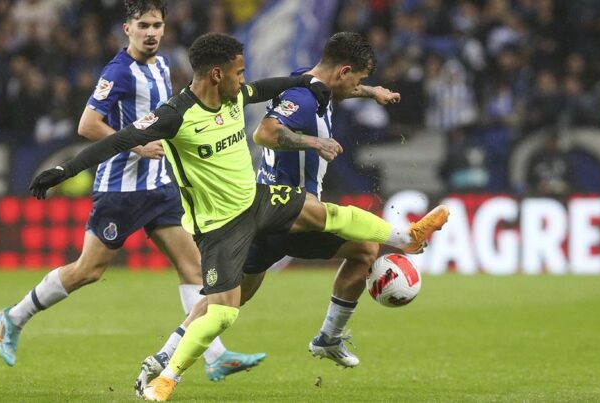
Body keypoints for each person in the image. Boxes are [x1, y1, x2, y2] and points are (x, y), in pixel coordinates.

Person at [27, 33, 449, 401]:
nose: (244, 80)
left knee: (327, 214)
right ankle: (164, 378)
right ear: (216, 74)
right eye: (239, 72)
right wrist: (64, 172)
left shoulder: (236, 95)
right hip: (221, 228)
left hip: (259, 200)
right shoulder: (175, 116)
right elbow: (117, 140)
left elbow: (279, 84)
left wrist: (358, 89)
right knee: (224, 312)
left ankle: (407, 237)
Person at [0, 1, 264, 381]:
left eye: (157, 25)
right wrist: (137, 146)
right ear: (127, 29)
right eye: (144, 25)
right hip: (121, 189)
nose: (151, 32)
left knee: (193, 268)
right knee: (88, 270)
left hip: (158, 186)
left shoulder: (164, 63)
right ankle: (14, 316)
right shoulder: (119, 71)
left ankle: (213, 355)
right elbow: (88, 124)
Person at [137, 32, 404, 376]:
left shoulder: (309, 82)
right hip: (286, 210)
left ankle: (163, 358)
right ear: (343, 71)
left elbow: (332, 86)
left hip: (271, 210)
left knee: (230, 300)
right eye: (359, 80)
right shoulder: (304, 99)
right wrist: (313, 142)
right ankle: (331, 333)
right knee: (365, 247)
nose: (359, 87)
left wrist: (372, 92)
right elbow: (264, 132)